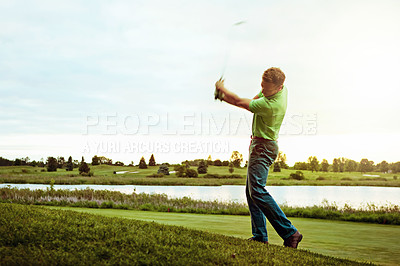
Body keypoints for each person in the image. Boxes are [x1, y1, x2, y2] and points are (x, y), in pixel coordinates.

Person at [214, 67, 302, 248]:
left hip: (263, 147)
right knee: (251, 191)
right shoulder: (281, 91)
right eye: (262, 86)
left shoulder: (271, 106)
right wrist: (224, 97)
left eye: (266, 89)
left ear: (279, 88)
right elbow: (250, 101)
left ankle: (290, 232)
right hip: (262, 145)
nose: (262, 90)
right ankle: (260, 235)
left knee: (257, 191)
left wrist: (222, 90)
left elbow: (240, 102)